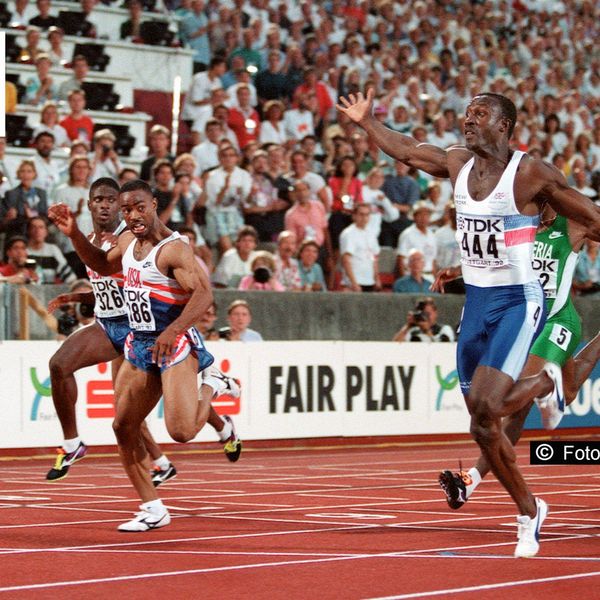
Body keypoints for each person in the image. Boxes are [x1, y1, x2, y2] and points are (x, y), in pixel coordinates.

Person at [337, 89, 600, 558]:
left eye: (481, 114)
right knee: (482, 425)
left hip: (519, 301)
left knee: (491, 405)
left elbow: (592, 217)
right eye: (467, 112)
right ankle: (529, 508)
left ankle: (547, 382)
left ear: (504, 126)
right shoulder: (458, 163)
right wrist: (367, 123)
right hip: (476, 304)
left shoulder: (530, 174)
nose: (469, 119)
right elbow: (408, 149)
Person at [48, 180, 240, 531]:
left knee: (181, 431)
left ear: (154, 204)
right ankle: (153, 508)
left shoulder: (174, 249)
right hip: (139, 344)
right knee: (123, 426)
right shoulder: (127, 242)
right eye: (127, 210)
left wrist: (173, 330)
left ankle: (211, 384)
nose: (133, 216)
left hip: (173, 344)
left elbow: (203, 296)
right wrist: (74, 233)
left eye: (139, 207)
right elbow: (104, 268)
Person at [439, 205, 600, 509]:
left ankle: (471, 479)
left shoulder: (572, 224)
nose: (532, 206)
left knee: (515, 399)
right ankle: (470, 481)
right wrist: (458, 272)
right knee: (567, 390)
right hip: (527, 318)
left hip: (557, 319)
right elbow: (494, 259)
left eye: (539, 200)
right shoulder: (519, 225)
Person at [339, 204, 381, 292]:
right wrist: (354, 283)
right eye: (361, 214)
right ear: (354, 216)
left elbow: (374, 258)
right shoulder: (348, 234)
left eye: (367, 215)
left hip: (369, 281)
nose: (364, 218)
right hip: (354, 283)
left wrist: (376, 279)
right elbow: (346, 260)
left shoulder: (371, 234)